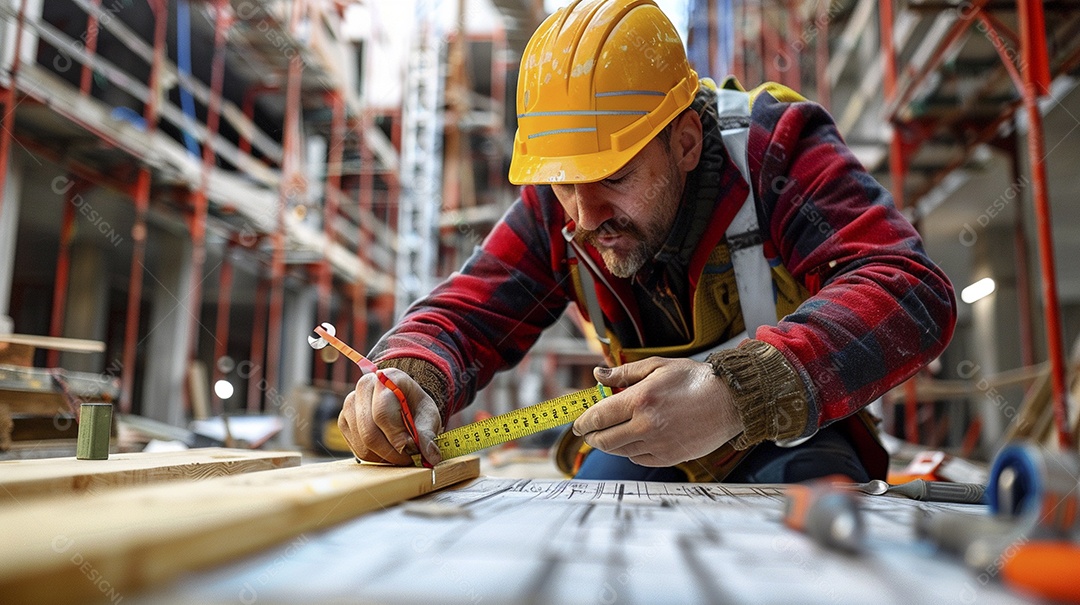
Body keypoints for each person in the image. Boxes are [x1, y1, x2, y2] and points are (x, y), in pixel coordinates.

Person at [337, 0, 956, 483]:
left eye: (614, 177)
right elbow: (467, 316)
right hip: (648, 445)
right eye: (566, 185)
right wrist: (410, 376)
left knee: (807, 526)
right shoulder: (562, 204)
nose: (585, 216)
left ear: (685, 142)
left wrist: (738, 393)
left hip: (789, 440)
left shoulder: (772, 152)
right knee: (594, 526)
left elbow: (907, 290)